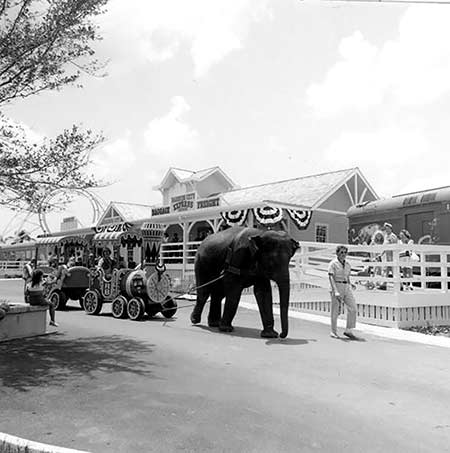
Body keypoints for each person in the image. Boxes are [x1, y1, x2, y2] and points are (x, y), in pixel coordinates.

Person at [328, 245, 359, 339]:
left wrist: (351, 284)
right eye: (341, 252)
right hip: (337, 286)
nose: (343, 254)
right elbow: (331, 277)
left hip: (346, 287)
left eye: (345, 252)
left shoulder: (348, 264)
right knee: (335, 310)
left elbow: (347, 276)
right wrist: (335, 291)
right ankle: (333, 331)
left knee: (353, 308)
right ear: (337, 253)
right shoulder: (333, 264)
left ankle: (348, 330)